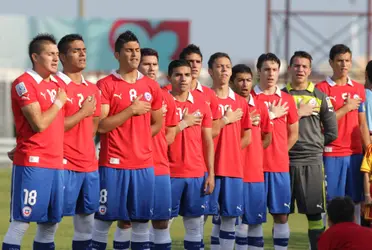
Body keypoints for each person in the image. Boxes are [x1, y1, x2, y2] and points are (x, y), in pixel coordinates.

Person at [91, 31, 163, 250]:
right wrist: (131, 110)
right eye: (129, 50)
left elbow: (158, 123)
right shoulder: (106, 84)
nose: (135, 54)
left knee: (141, 223)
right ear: (117, 54)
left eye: (137, 50)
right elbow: (101, 125)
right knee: (104, 220)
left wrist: (137, 139)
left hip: (143, 165)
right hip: (113, 164)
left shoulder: (151, 87)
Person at [2, 34, 67, 250]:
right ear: (35, 57)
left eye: (57, 54)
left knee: (50, 224)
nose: (56, 58)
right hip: (34, 163)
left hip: (56, 163)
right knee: (22, 222)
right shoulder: (24, 83)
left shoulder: (58, 83)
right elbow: (38, 123)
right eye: (50, 54)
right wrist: (58, 102)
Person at [283, 51, 338, 250]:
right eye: (297, 66)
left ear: (309, 70)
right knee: (281, 214)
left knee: (315, 216)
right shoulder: (281, 96)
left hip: (312, 162)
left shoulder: (320, 97)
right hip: (284, 161)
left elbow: (332, 132)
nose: (300, 70)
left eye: (304, 66)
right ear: (290, 69)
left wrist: (314, 143)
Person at [316, 44, 371, 225]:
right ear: (331, 63)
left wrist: (369, 150)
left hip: (355, 154)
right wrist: (346, 107)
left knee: (356, 202)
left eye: (347, 61)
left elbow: (362, 124)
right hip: (332, 153)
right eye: (339, 61)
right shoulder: (321, 89)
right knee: (331, 203)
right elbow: (322, 123)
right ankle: (330, 241)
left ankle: (353, 241)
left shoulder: (358, 89)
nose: (344, 65)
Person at [56, 34, 101, 250]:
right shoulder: (56, 85)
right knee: (51, 222)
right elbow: (50, 127)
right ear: (62, 57)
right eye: (76, 50)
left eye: (83, 50)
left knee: (86, 224)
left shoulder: (92, 89)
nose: (82, 54)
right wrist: (83, 112)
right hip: (62, 164)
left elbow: (93, 128)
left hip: (89, 165)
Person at [251, 53, 299, 250]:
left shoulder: (287, 99)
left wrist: (279, 152)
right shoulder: (250, 99)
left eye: (274, 69)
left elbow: (294, 134)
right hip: (254, 169)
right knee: (254, 217)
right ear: (258, 71)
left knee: (281, 215)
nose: (271, 74)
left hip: (279, 167)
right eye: (266, 69)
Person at [167, 59, 215, 250]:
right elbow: (162, 139)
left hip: (196, 174)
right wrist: (183, 123)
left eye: (187, 75)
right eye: (178, 75)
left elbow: (208, 141)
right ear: (170, 77)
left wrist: (210, 173)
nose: (183, 79)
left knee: (195, 227)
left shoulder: (202, 103)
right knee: (162, 225)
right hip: (169, 173)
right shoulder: (163, 102)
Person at [208, 52, 252, 250]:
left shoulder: (241, 103)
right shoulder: (205, 99)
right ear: (210, 71)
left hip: (233, 169)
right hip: (208, 168)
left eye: (227, 66)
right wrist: (225, 120)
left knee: (229, 219)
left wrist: (230, 152)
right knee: (199, 218)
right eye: (219, 66)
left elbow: (247, 136)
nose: (224, 69)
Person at [138, 48, 178, 249]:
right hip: (135, 166)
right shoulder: (133, 95)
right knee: (133, 221)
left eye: (154, 64)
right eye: (146, 64)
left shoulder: (167, 97)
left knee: (162, 222)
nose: (151, 68)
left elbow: (170, 134)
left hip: (160, 166)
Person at [230, 64, 273, 250]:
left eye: (248, 80)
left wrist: (253, 151)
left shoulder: (261, 107)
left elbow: (267, 137)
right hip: (233, 172)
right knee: (233, 223)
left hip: (255, 173)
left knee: (255, 222)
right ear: (232, 82)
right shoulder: (228, 108)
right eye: (240, 80)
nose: (245, 84)